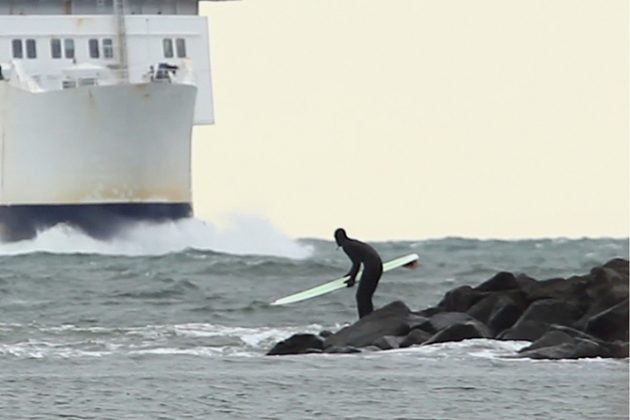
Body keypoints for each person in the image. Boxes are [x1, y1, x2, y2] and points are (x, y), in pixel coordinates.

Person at [334, 228, 383, 318]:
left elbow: (356, 263)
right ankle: (368, 318)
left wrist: (352, 280)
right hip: (377, 266)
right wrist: (350, 274)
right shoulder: (352, 243)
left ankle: (364, 320)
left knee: (361, 297)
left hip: (372, 267)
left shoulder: (347, 246)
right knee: (365, 296)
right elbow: (357, 262)